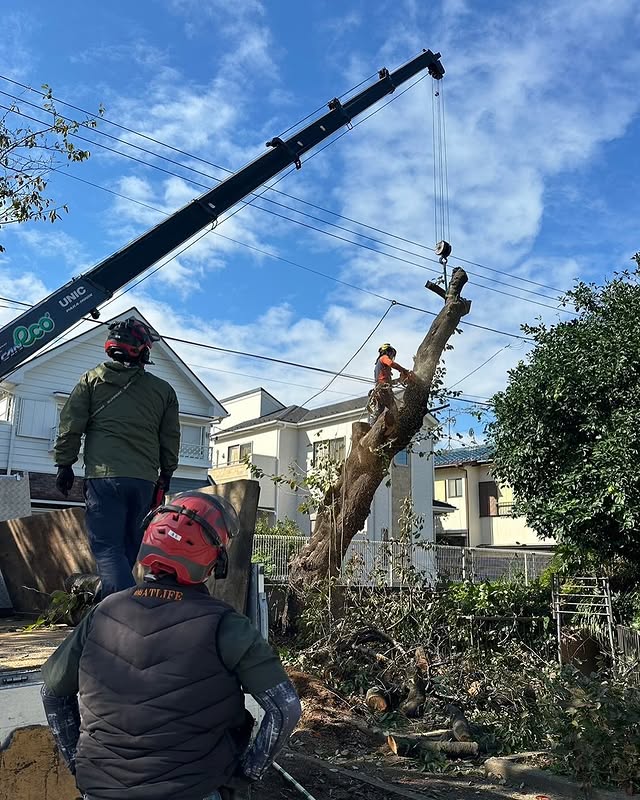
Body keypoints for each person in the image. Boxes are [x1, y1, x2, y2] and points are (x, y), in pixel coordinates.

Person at [40, 491, 302, 800]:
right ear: (213, 561)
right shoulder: (227, 626)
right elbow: (285, 709)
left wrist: (77, 763)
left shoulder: (101, 613)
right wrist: (247, 772)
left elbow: (52, 694)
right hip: (195, 789)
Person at [54, 317, 180, 597]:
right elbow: (170, 437)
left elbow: (70, 426)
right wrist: (167, 473)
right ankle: (110, 610)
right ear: (144, 350)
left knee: (108, 551)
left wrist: (65, 464)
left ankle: (128, 613)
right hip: (144, 482)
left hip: (104, 478)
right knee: (126, 552)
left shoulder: (91, 380)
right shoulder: (163, 391)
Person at [367, 343, 413, 425]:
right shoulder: (383, 358)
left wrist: (400, 380)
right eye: (392, 354)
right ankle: (397, 427)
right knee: (394, 409)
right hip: (383, 390)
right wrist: (403, 370)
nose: (392, 356)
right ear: (388, 352)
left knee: (379, 410)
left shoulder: (382, 368)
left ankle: (371, 425)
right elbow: (392, 364)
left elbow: (389, 382)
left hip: (381, 390)